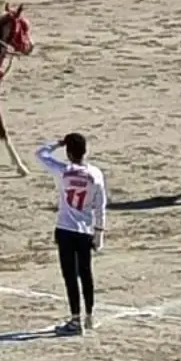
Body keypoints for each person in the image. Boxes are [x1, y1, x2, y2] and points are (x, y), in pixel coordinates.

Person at [36, 133, 107, 336]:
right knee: (86, 273)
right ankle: (90, 316)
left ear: (68, 152)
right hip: (85, 230)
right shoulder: (95, 174)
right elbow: (100, 206)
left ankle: (75, 319)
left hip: (66, 229)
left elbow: (40, 154)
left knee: (70, 276)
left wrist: (56, 143)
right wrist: (99, 233)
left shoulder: (63, 171)